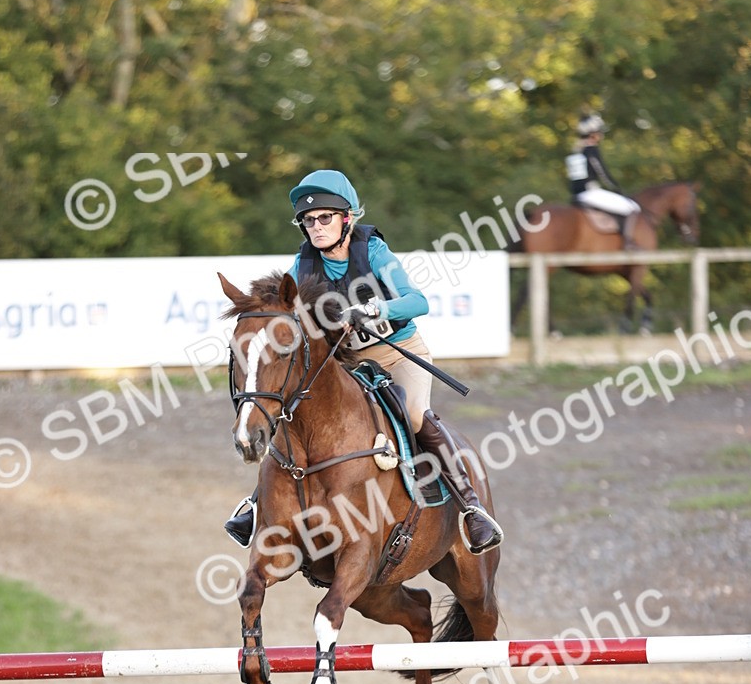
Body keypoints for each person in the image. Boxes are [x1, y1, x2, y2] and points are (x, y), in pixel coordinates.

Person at [225, 168, 503, 554]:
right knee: (297, 414)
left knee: (414, 414)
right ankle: (257, 505)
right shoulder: (303, 263)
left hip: (397, 352)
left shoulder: (372, 251)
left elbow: (417, 301)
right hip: (348, 360)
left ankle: (471, 508)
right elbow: (279, 302)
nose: (316, 227)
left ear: (347, 219)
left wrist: (371, 309)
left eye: (325, 218)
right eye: (309, 220)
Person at [565, 114, 641, 248]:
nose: (600, 136)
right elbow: (603, 174)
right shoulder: (591, 150)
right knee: (632, 207)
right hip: (590, 193)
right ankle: (628, 242)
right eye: (599, 133)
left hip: (576, 195)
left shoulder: (575, 151)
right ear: (593, 135)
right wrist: (617, 189)